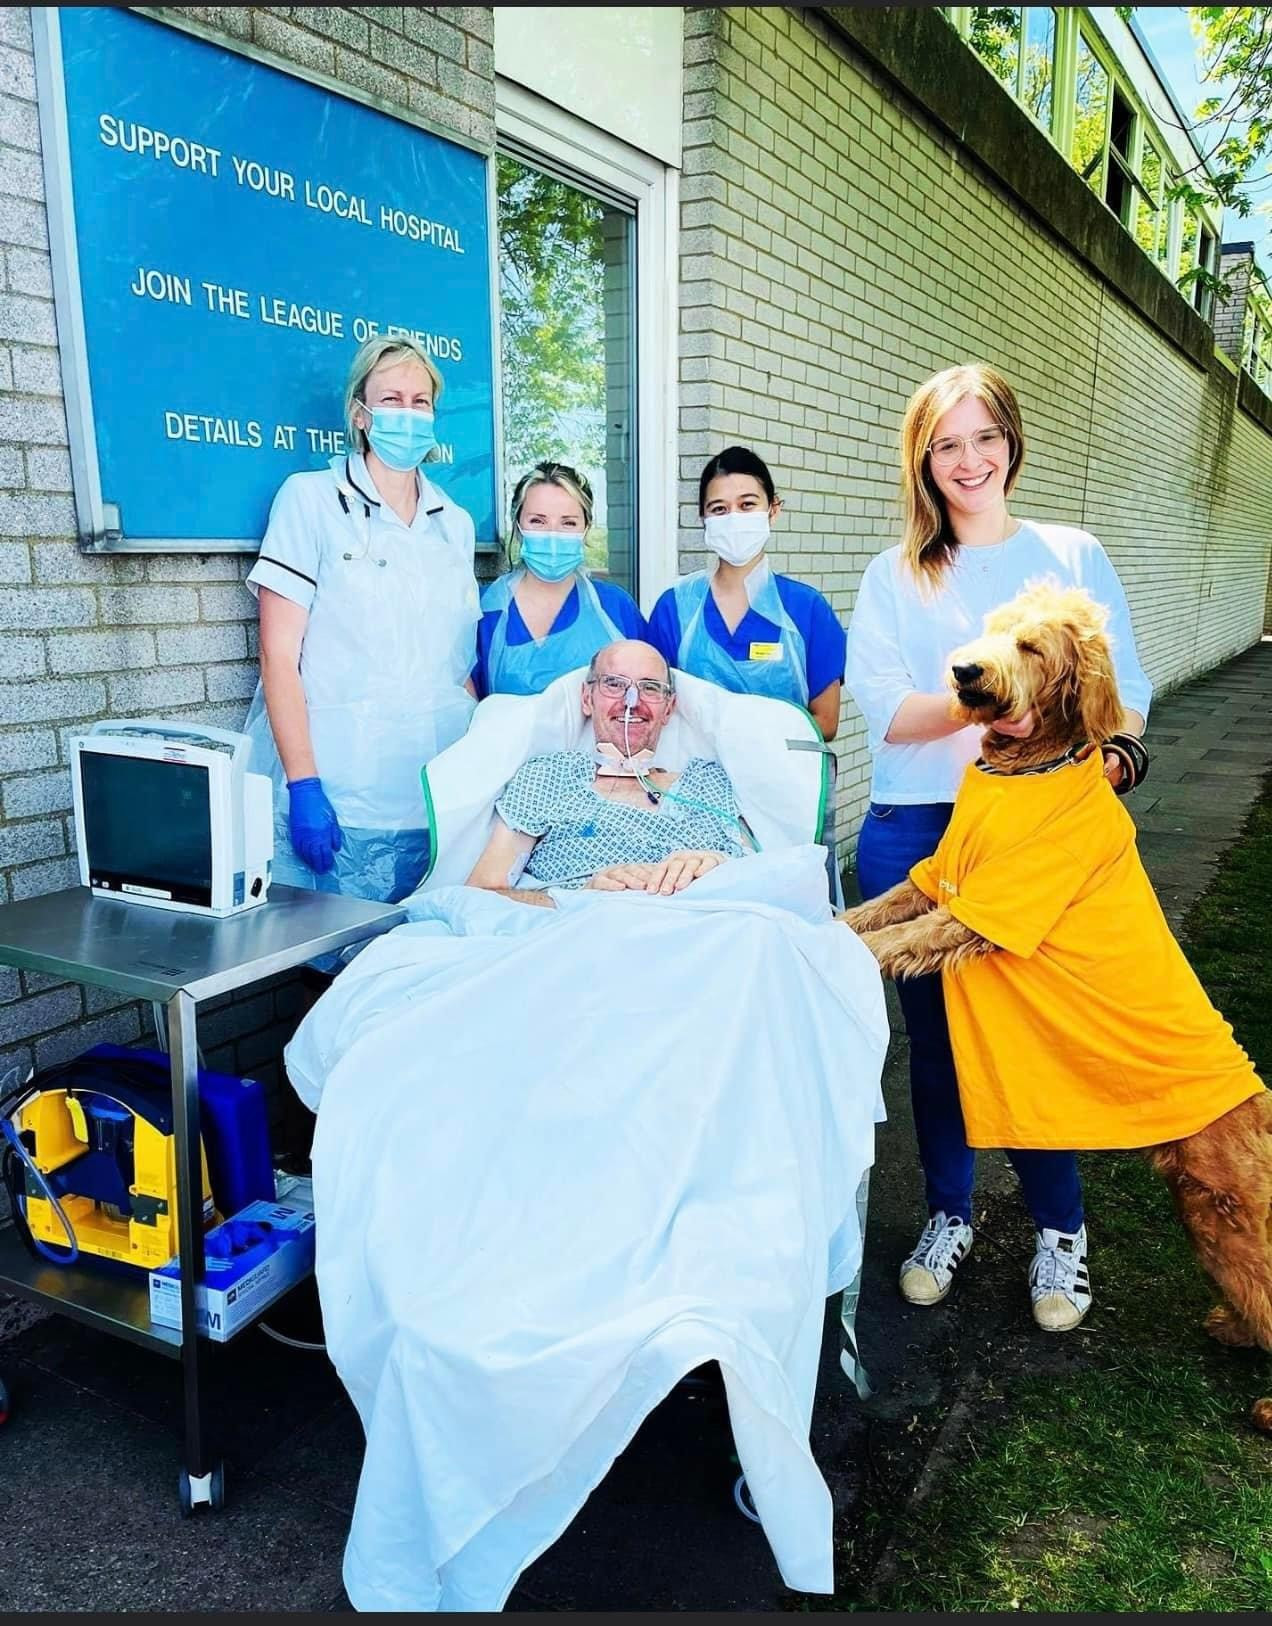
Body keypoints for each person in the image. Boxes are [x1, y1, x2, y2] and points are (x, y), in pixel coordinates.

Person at [845, 362, 1153, 1333]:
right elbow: (890, 715)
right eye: (946, 444)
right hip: (917, 830)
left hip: (1028, 837)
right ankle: (948, 1212)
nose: (968, 460)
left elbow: (1127, 698)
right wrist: (1000, 694)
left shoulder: (1071, 556)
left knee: (1029, 1037)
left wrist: (1091, 770)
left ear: (1012, 441)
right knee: (935, 1049)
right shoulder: (893, 574)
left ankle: (1060, 1234)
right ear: (923, 462)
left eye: (984, 437)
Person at [243, 334, 480, 908]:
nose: (407, 413)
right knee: (332, 959)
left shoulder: (455, 522)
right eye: (391, 398)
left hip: (436, 788)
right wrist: (304, 784)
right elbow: (279, 655)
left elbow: (460, 663)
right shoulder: (311, 500)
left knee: (425, 953)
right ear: (360, 413)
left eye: (419, 401)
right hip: (343, 786)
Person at [467, 638, 750, 902]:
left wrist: (718, 867)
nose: (632, 701)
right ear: (587, 699)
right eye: (614, 684)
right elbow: (481, 896)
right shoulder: (550, 778)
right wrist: (580, 897)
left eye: (650, 687)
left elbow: (759, 879)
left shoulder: (706, 784)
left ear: (669, 708)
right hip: (574, 933)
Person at [647, 446, 847, 739]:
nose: (733, 518)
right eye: (719, 509)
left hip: (781, 779)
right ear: (703, 518)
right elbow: (654, 706)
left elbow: (826, 722)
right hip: (690, 779)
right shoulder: (675, 607)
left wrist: (750, 739)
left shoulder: (806, 608)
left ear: (773, 511)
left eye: (747, 505)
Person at [473, 461, 646, 697]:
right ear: (518, 525)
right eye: (538, 521)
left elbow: (648, 691)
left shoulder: (614, 607)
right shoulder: (483, 611)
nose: (552, 534)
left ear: (586, 528)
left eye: (568, 523)